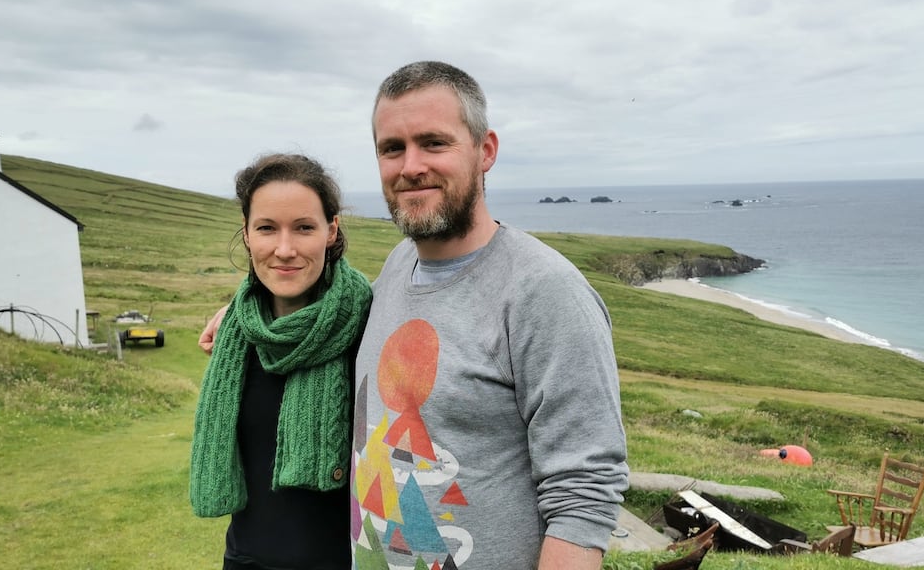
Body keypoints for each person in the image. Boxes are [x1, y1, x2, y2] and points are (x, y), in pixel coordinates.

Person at [201, 61, 629, 569]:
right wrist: (244, 311)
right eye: (392, 148)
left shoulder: (544, 291)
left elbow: (583, 495)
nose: (410, 166)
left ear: (485, 150)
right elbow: (329, 306)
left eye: (434, 143)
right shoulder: (400, 267)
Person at [190, 153, 372, 570]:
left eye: (304, 228)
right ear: (247, 235)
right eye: (267, 228)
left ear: (331, 230)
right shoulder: (238, 333)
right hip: (245, 559)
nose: (284, 249)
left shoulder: (370, 324)